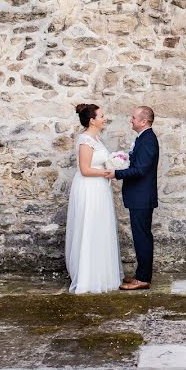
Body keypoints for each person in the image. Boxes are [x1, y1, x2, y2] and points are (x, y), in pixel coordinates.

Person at [64, 103, 123, 294]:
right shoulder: (85, 140)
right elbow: (85, 169)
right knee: (89, 227)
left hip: (99, 188)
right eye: (101, 116)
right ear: (92, 120)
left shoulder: (96, 138)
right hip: (89, 188)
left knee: (100, 228)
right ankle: (88, 278)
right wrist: (108, 171)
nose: (104, 119)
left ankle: (101, 275)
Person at [109, 106, 159, 291]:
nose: (131, 120)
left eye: (133, 118)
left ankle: (143, 278)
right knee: (140, 236)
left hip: (141, 196)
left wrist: (116, 172)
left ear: (143, 121)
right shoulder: (143, 138)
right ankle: (141, 274)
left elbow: (141, 170)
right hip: (139, 196)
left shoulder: (147, 140)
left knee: (142, 237)